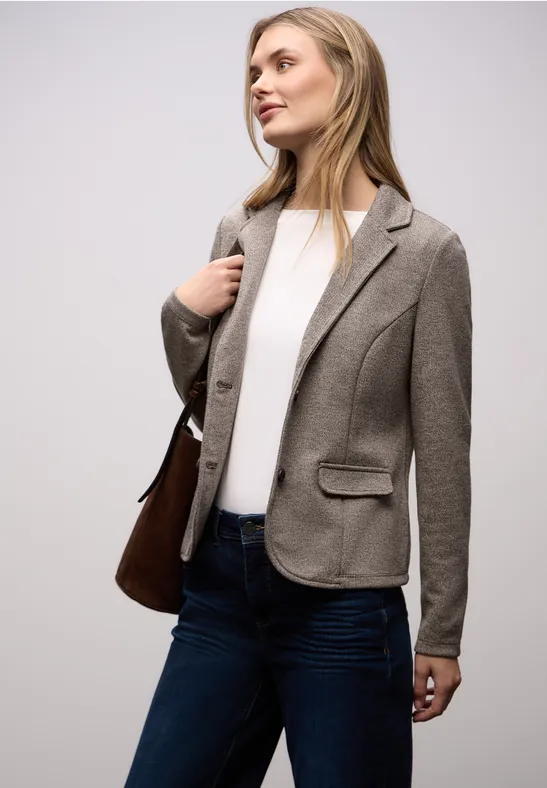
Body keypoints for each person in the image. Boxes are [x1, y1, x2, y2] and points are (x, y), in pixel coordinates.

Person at [123, 6, 472, 787]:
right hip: (219, 581)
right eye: (253, 71)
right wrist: (180, 315)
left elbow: (445, 450)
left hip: (343, 596)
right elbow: (216, 408)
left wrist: (441, 629)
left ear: (346, 77)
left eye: (282, 64)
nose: (259, 85)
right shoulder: (243, 228)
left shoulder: (424, 251)